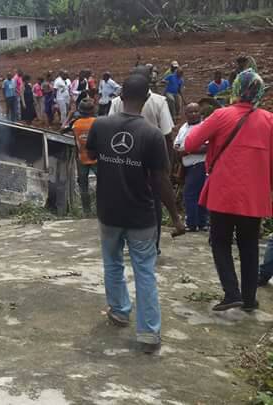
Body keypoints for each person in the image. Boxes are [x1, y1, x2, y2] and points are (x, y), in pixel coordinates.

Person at [87, 74, 185, 354]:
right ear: (146, 100)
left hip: (109, 212)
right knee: (144, 272)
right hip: (141, 215)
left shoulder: (101, 125)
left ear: (118, 98)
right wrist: (176, 217)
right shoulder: (152, 135)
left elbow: (92, 153)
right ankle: (148, 335)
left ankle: (119, 312)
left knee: (112, 264)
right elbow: (161, 181)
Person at [185, 70, 273, 312]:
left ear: (235, 89)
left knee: (220, 241)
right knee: (249, 245)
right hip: (254, 196)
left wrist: (214, 141)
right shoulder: (269, 120)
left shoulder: (221, 115)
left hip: (223, 192)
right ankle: (249, 299)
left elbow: (191, 143)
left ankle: (231, 292)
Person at [109, 66, 176, 255]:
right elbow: (167, 135)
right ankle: (152, 245)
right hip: (151, 163)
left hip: (123, 159)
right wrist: (167, 165)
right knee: (152, 203)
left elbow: (110, 131)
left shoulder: (116, 102)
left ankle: (127, 243)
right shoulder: (159, 101)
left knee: (125, 202)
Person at [173, 103, 208, 232]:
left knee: (191, 194)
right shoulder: (184, 127)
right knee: (196, 195)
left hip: (198, 165)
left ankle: (193, 223)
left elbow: (206, 147)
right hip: (186, 166)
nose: (193, 114)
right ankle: (201, 223)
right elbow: (176, 144)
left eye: (196, 111)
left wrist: (187, 150)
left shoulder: (204, 126)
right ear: (185, 114)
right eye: (190, 112)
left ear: (200, 112)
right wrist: (178, 149)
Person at [70, 98, 97, 215]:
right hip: (97, 159)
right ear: (92, 110)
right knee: (102, 184)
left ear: (80, 111)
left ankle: (87, 211)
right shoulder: (97, 122)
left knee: (83, 186)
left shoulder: (75, 125)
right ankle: (101, 209)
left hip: (81, 158)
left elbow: (75, 143)